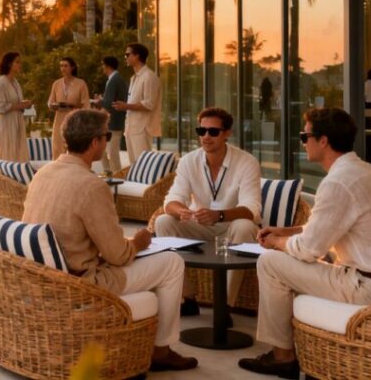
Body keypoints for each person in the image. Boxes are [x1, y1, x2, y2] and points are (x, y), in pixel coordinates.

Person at [238, 108, 371, 378]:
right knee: (284, 256)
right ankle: (288, 348)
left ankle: (282, 356)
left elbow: (309, 249)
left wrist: (276, 242)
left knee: (271, 262)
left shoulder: (338, 183)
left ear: (323, 140)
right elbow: (329, 227)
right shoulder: (365, 172)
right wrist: (285, 231)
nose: (303, 142)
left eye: (304, 135)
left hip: (367, 288)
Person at [23, 109, 198, 372]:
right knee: (172, 262)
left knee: (155, 261)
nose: (106, 141)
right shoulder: (91, 185)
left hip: (47, 276)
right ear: (95, 142)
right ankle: (161, 350)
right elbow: (118, 255)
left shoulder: (44, 173)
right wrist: (138, 242)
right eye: (105, 136)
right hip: (83, 283)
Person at [155, 107, 261, 311]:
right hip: (199, 224)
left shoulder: (247, 162)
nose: (206, 137)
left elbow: (251, 209)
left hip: (230, 226)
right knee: (164, 222)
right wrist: (181, 211)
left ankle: (225, 305)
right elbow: (172, 200)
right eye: (201, 131)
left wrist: (219, 215)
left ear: (227, 134)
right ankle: (187, 298)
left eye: (213, 132)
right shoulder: (188, 161)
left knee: (245, 226)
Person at [114, 43, 161, 163]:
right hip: (131, 128)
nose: (125, 57)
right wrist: (125, 106)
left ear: (137, 56)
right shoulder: (134, 78)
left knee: (143, 165)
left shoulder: (149, 77)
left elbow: (149, 104)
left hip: (142, 129)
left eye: (128, 54)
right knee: (134, 166)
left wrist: (126, 106)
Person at [0, 52, 33, 161]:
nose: (20, 64)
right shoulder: (0, 83)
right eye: (17, 62)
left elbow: (17, 103)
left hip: (18, 122)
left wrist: (25, 105)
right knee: (7, 154)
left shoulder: (15, 82)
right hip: (7, 123)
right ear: (9, 64)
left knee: (18, 155)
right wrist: (20, 105)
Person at [47, 57, 89, 159]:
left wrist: (73, 106)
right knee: (57, 150)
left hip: (75, 121)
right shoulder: (56, 84)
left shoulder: (81, 83)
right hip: (59, 121)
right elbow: (50, 102)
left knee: (76, 152)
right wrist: (53, 105)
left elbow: (86, 105)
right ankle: (58, 174)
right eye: (61, 66)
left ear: (72, 67)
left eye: (65, 66)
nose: (63, 68)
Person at [96, 55, 128, 175]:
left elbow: (109, 103)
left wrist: (99, 101)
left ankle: (116, 175)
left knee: (112, 152)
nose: (102, 68)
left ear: (107, 66)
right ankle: (109, 172)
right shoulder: (116, 79)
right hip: (113, 122)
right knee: (104, 150)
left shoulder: (114, 80)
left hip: (114, 122)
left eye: (102, 65)